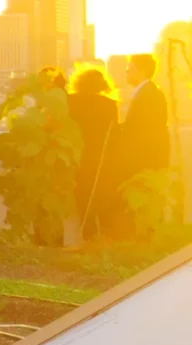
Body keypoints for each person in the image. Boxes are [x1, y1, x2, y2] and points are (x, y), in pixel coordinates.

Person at [111, 53, 174, 237]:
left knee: (145, 199)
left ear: (141, 70)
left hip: (145, 159)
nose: (126, 72)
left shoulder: (150, 94)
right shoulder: (147, 93)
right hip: (145, 157)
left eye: (129, 68)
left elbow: (145, 130)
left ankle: (143, 236)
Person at [71, 67, 122, 241]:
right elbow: (114, 134)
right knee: (100, 196)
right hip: (100, 157)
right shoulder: (109, 104)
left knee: (82, 197)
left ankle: (86, 234)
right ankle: (102, 236)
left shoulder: (71, 101)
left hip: (77, 155)